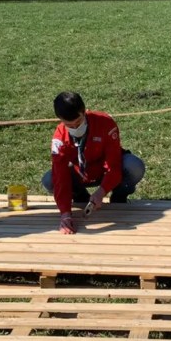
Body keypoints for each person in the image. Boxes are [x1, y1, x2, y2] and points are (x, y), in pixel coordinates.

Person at [42, 92, 145, 234]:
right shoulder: (59, 138)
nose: (75, 128)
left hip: (104, 170)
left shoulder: (105, 123)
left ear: (84, 111)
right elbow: (60, 176)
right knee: (49, 180)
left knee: (134, 166)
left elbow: (114, 165)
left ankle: (119, 197)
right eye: (69, 125)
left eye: (78, 122)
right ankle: (81, 198)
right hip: (80, 174)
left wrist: (101, 191)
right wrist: (65, 214)